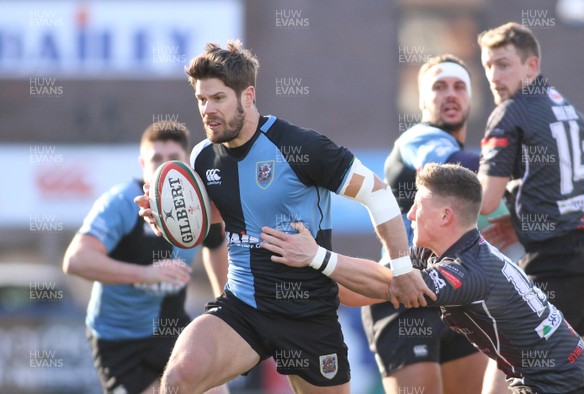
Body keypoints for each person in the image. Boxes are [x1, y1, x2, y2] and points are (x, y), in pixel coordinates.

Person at [134, 40, 432, 394]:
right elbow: (218, 216)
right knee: (179, 379)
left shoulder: (301, 147)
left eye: (218, 99)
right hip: (242, 308)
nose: (207, 110)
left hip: (307, 314)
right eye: (201, 100)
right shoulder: (201, 158)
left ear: (247, 95)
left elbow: (378, 194)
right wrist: (169, 219)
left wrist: (400, 268)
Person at [261, 163, 584, 394]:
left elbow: (390, 285)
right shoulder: (435, 253)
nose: (409, 214)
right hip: (558, 373)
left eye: (418, 206)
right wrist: (304, 269)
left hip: (562, 384)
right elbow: (362, 290)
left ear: (445, 216)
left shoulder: (470, 270)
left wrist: (316, 256)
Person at [476, 22, 584, 390]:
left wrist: (438, 192)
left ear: (532, 66)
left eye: (503, 64)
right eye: (487, 66)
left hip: (554, 260)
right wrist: (530, 218)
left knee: (509, 349)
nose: (494, 76)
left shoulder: (511, 110)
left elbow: (485, 201)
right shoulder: (568, 108)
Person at [63, 121, 229, 394]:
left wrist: (224, 305)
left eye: (173, 158)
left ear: (186, 161)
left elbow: (216, 245)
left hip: (172, 329)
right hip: (119, 340)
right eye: (156, 159)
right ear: (142, 163)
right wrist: (145, 273)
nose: (164, 166)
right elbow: (76, 260)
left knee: (216, 391)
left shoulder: (196, 203)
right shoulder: (120, 203)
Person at [361, 54, 486, 394]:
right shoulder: (420, 138)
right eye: (439, 86)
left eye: (460, 86)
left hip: (457, 292)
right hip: (405, 292)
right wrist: (517, 155)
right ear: (421, 100)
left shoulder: (481, 165)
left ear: (471, 97)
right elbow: (456, 168)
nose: (450, 94)